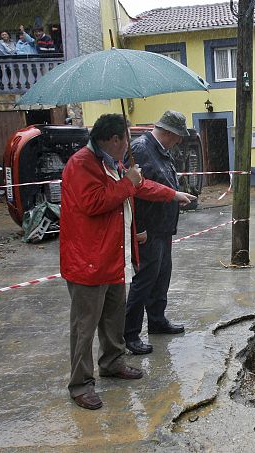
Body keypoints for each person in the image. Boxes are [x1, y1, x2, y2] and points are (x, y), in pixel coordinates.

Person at [59, 113, 194, 410]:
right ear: (114, 139)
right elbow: (93, 203)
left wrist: (172, 194)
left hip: (112, 256)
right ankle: (81, 384)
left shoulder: (112, 163)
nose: (128, 147)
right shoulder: (82, 164)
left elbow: (141, 187)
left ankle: (112, 361)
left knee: (112, 317)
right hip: (87, 261)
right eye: (125, 141)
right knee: (85, 325)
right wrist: (128, 184)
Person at [123, 110, 197, 355]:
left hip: (163, 228)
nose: (178, 142)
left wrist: (177, 197)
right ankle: (130, 335)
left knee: (161, 277)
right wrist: (140, 228)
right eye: (177, 137)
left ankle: (157, 320)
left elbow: (162, 182)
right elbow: (136, 191)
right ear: (166, 132)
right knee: (144, 281)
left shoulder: (161, 150)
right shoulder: (141, 149)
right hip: (149, 229)